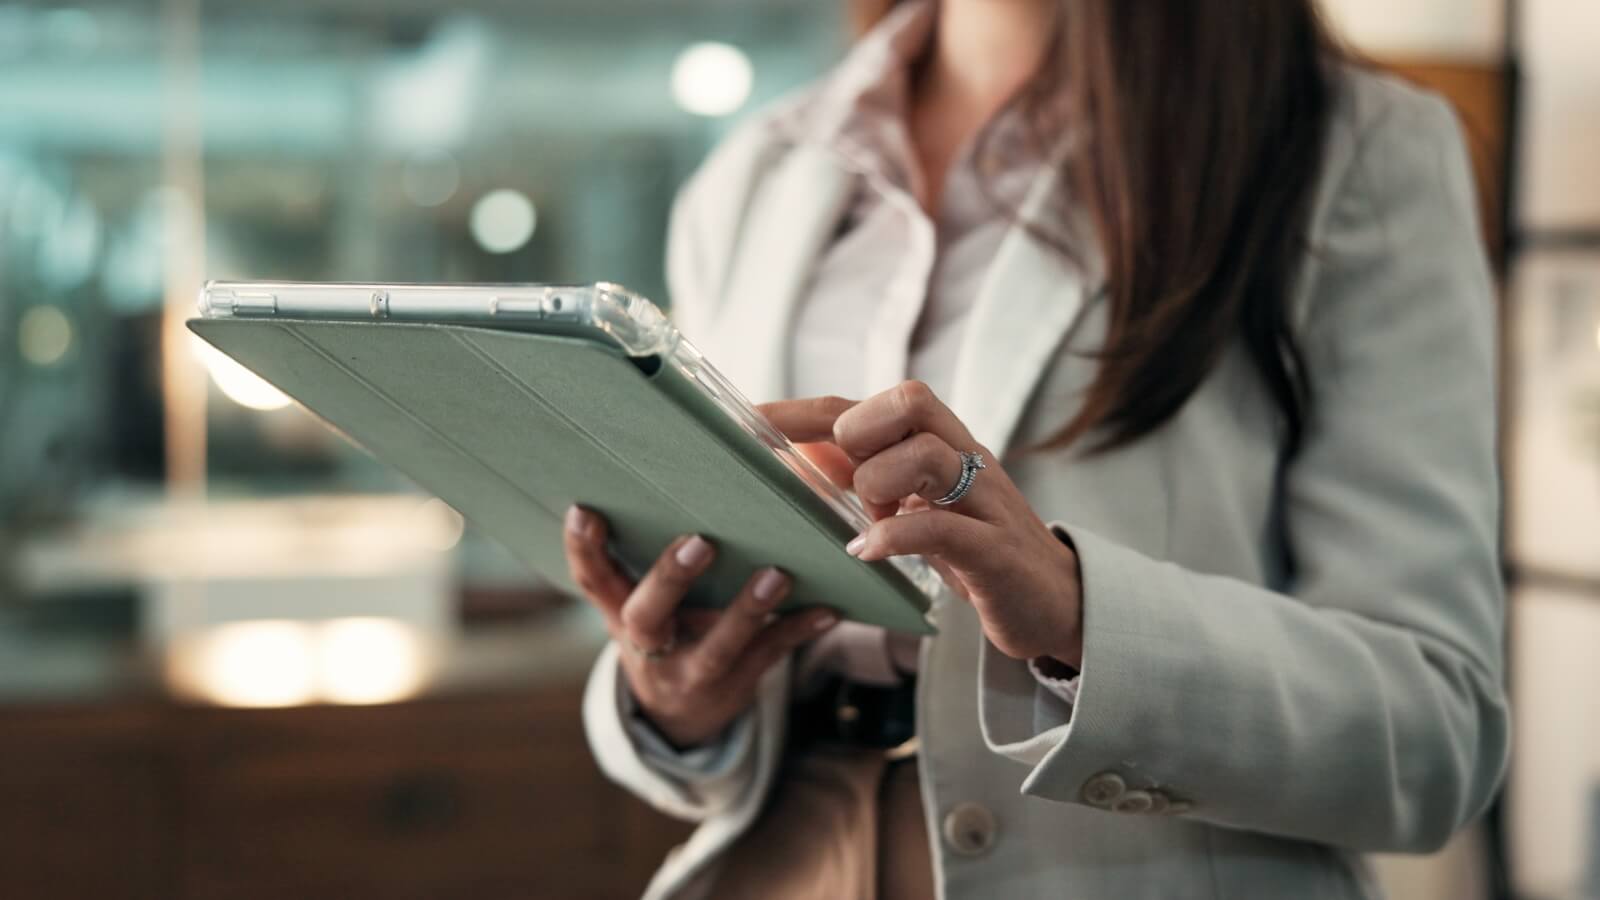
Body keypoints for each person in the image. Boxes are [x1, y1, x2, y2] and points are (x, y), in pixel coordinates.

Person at [570, 0, 1511, 896]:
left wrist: (1077, 614)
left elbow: (1435, 736)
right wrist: (677, 705)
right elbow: (711, 718)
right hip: (782, 864)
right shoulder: (754, 172)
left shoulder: (1357, 150)